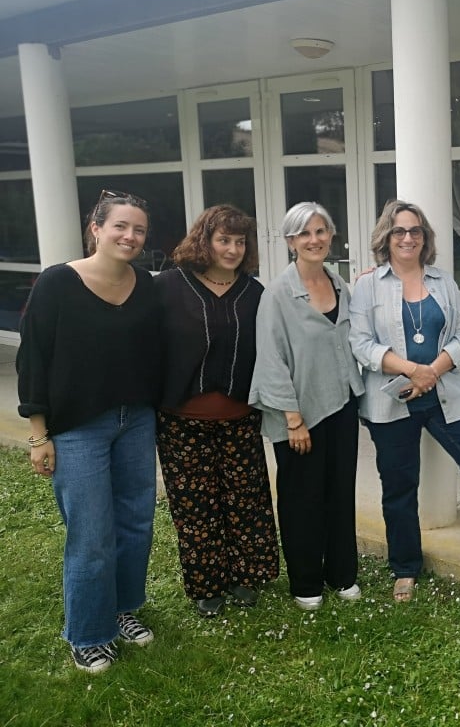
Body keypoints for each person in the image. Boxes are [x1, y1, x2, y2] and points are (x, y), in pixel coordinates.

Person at [17, 190, 162, 673]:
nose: (130, 236)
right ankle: (87, 633)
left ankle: (122, 610)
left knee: (136, 523)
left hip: (135, 421)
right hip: (78, 428)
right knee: (91, 534)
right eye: (121, 225)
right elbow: (33, 358)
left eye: (139, 229)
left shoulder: (147, 285)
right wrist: (39, 434)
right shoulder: (58, 283)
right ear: (96, 228)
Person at [349, 200, 460, 603]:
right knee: (400, 485)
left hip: (444, 392)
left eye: (415, 231)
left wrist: (431, 372)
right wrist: (410, 370)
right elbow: (360, 343)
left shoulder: (443, 281)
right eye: (399, 231)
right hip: (392, 399)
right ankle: (405, 567)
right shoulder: (368, 284)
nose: (408, 238)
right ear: (386, 237)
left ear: (425, 238)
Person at [155, 204, 279, 617]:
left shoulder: (256, 293)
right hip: (181, 422)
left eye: (239, 241)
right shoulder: (170, 287)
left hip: (240, 418)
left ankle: (246, 577)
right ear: (204, 241)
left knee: (246, 502)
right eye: (223, 239)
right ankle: (207, 585)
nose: (232, 249)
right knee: (195, 507)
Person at [249, 202, 365, 611]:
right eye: (304, 234)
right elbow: (270, 359)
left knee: (339, 492)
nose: (314, 240)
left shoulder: (339, 284)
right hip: (299, 415)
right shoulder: (278, 294)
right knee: (302, 498)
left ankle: (342, 574)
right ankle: (306, 583)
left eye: (321, 231)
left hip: (341, 404)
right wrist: (293, 419)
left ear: (331, 237)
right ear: (290, 241)